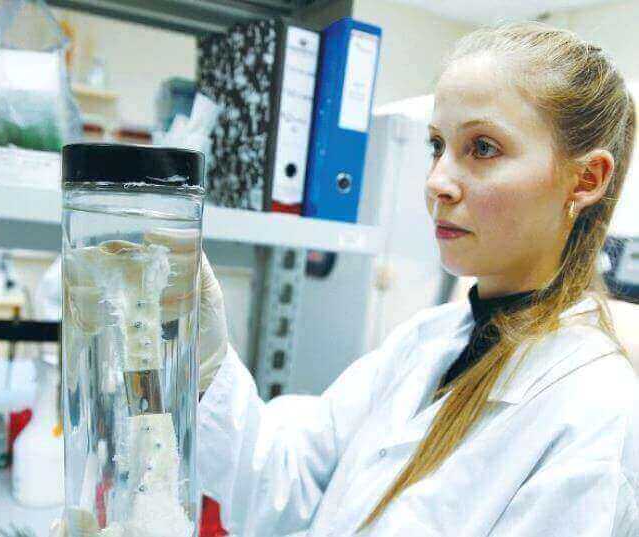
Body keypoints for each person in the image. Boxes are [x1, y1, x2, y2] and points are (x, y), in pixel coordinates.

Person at [195, 22, 638, 536]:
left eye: (483, 148)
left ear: (587, 179)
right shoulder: (424, 342)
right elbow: (282, 483)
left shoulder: (595, 412)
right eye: (437, 145)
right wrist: (204, 359)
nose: (437, 182)